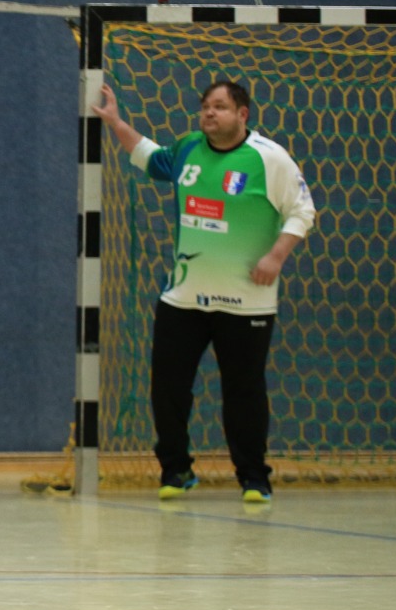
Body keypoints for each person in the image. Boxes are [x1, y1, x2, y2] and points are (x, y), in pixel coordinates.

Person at [92, 81, 315, 503]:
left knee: (244, 392)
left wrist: (276, 256)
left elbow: (302, 211)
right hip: (184, 298)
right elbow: (151, 158)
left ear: (242, 114)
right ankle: (175, 471)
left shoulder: (270, 158)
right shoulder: (189, 147)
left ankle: (254, 478)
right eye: (205, 106)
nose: (209, 113)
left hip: (247, 302)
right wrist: (117, 123)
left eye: (220, 106)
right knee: (168, 389)